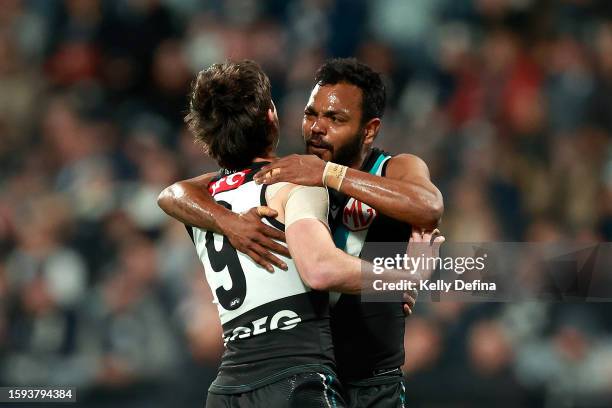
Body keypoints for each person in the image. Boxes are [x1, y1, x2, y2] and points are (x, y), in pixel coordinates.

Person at [159, 58, 444, 407]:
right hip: (308, 372)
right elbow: (176, 193)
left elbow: (428, 206)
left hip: (369, 379)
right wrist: (226, 220)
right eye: (311, 114)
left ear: (369, 130)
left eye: (335, 119)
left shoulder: (392, 168)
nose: (316, 128)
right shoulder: (291, 173)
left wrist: (329, 174)